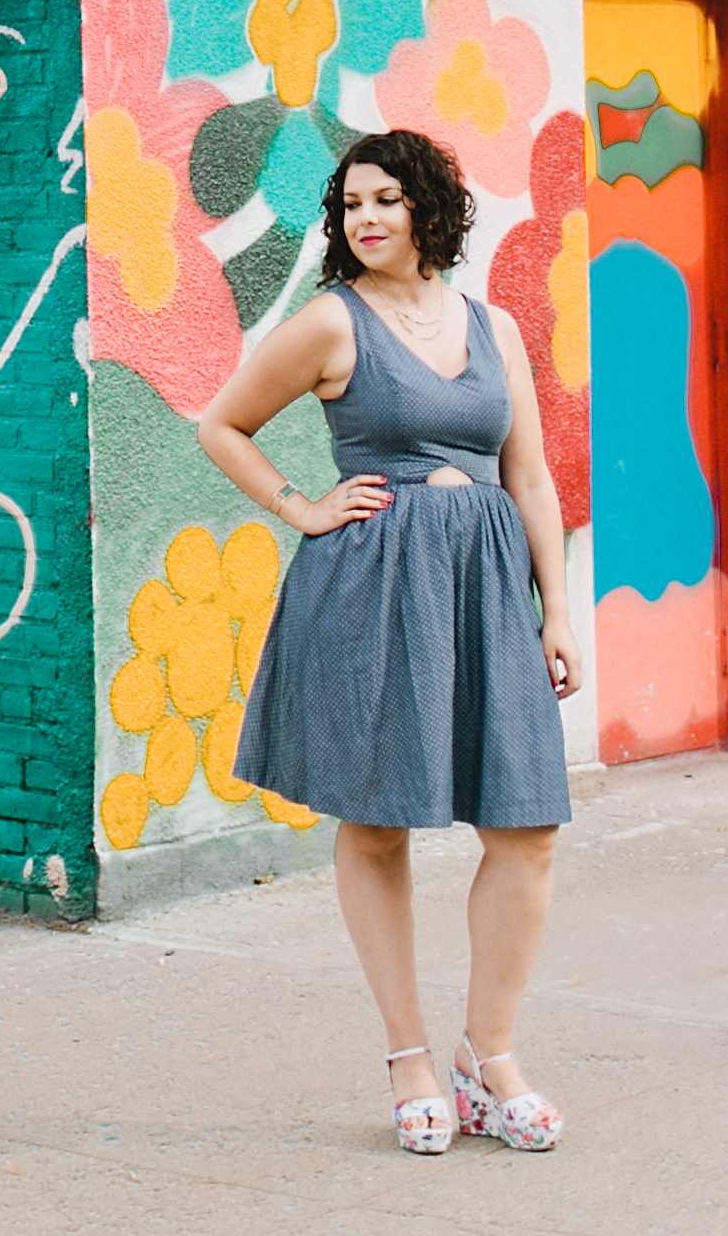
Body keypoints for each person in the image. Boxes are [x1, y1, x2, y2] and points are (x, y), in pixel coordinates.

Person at [197, 127, 581, 1156]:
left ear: (429, 210)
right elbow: (220, 424)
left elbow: (531, 477)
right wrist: (302, 507)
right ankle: (409, 1054)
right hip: (373, 586)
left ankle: (488, 1055)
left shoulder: (493, 323)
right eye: (351, 203)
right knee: (378, 824)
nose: (364, 218)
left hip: (488, 586)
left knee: (527, 827)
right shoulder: (330, 323)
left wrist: (559, 611)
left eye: (386, 200)